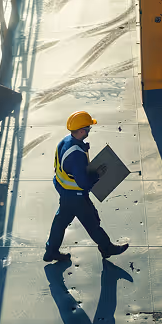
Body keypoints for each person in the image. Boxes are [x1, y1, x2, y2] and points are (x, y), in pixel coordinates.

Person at [44, 110, 129, 262]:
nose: (90, 130)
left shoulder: (65, 141)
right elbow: (84, 184)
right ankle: (107, 248)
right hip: (75, 196)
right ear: (82, 131)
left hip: (64, 191)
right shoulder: (76, 155)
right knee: (92, 223)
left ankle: (51, 251)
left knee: (60, 222)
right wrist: (98, 175)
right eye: (88, 128)